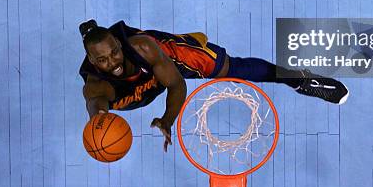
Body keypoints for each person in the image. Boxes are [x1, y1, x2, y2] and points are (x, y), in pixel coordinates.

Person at [79, 19, 349, 152]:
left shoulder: (142, 46)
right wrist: (100, 128)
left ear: (118, 42)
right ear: (91, 61)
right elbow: (97, 112)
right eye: (101, 59)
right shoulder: (96, 88)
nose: (112, 61)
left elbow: (175, 85)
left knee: (228, 69)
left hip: (166, 62)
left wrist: (167, 119)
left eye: (114, 51)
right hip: (136, 91)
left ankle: (297, 78)